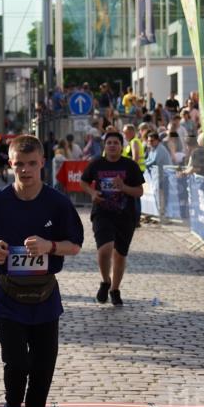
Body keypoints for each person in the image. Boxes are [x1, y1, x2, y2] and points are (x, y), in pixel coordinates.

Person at [0, 135, 83, 407]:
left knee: (43, 367)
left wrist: (50, 246)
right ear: (10, 164)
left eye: (32, 164)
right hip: (8, 296)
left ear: (42, 164)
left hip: (45, 298)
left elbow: (75, 245)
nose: (25, 170)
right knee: (16, 362)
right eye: (19, 164)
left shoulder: (57, 203)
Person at [80, 129, 143, 307]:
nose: (112, 146)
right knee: (104, 249)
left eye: (116, 143)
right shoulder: (96, 163)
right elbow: (83, 182)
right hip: (102, 213)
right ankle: (105, 280)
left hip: (125, 215)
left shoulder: (130, 166)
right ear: (104, 146)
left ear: (121, 146)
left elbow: (139, 191)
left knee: (120, 255)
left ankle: (115, 289)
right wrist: (93, 193)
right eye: (109, 143)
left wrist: (124, 187)